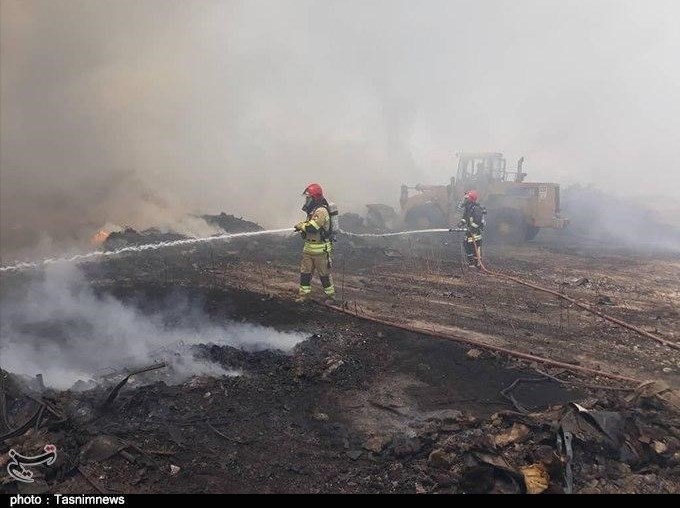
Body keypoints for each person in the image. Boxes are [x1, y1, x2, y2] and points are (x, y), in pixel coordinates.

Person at [294, 183, 335, 302]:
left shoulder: (321, 211)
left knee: (324, 275)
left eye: (308, 197)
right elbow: (309, 226)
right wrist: (302, 226)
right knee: (305, 274)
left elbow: (313, 227)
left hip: (320, 250)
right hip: (308, 249)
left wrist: (301, 226)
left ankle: (330, 296)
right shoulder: (313, 211)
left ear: (315, 198)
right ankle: (304, 295)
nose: (307, 200)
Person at [458, 190, 485, 268]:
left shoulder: (476, 209)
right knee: (467, 245)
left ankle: (477, 264)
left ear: (471, 199)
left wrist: (472, 229)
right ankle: (472, 263)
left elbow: (478, 222)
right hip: (470, 231)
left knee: (474, 247)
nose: (465, 200)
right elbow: (465, 218)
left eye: (467, 199)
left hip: (475, 232)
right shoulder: (468, 208)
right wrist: (461, 223)